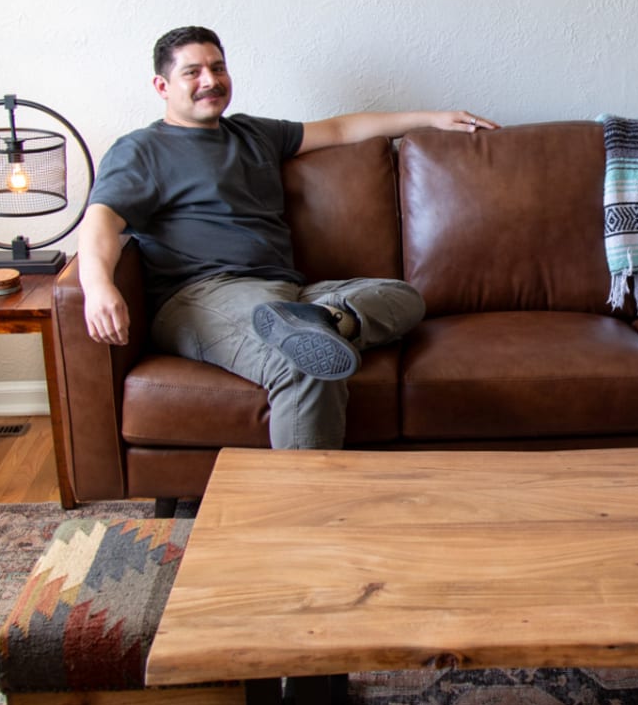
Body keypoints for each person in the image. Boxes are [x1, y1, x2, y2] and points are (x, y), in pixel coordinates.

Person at [80, 27, 498, 451]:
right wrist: (97, 285)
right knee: (306, 364)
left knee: (404, 297)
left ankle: (328, 321)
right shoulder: (142, 150)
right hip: (201, 296)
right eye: (193, 72)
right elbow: (102, 221)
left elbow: (338, 129)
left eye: (218, 67)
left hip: (288, 294)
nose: (211, 80)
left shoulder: (250, 134)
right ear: (162, 86)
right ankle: (306, 513)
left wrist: (431, 119)